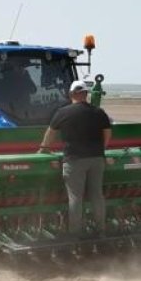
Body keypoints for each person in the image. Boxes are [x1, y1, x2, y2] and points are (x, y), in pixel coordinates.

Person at [39, 80, 113, 236]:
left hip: (74, 160)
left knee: (75, 198)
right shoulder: (99, 112)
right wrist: (101, 149)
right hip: (96, 159)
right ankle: (101, 230)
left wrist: (43, 149)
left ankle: (75, 233)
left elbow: (51, 133)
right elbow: (107, 133)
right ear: (86, 94)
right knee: (97, 195)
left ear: (71, 94)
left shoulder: (62, 112)